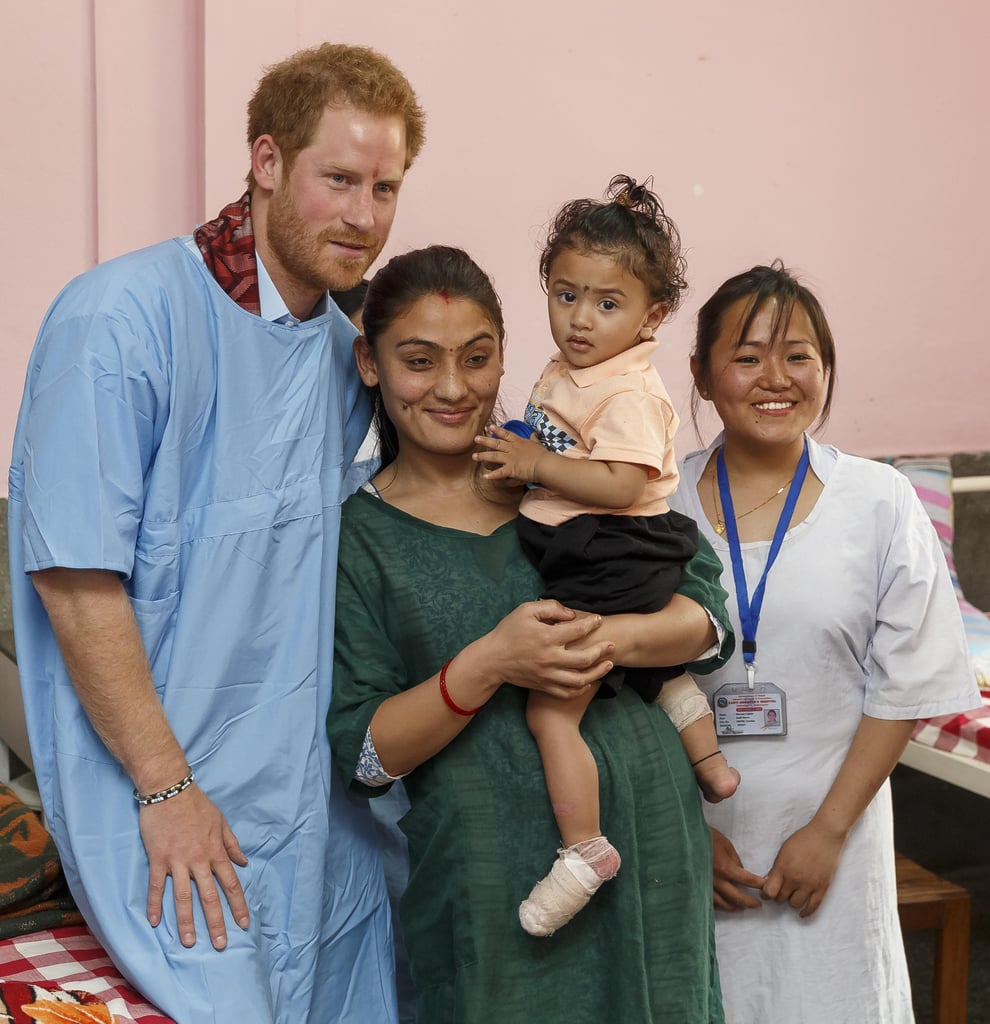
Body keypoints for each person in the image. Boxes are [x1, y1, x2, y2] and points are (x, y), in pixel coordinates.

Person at [7, 43, 424, 1024]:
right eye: (339, 180)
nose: (365, 216)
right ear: (267, 161)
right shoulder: (120, 321)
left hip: (320, 814)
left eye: (386, 187)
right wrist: (164, 791)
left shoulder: (341, 356)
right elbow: (74, 581)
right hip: (166, 804)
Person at [328, 244, 731, 1023]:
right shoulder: (360, 539)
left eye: (477, 359)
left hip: (650, 852)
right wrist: (489, 662)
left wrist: (612, 640)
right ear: (369, 364)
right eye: (419, 361)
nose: (452, 388)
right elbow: (366, 752)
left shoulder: (573, 464)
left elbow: (704, 620)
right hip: (492, 887)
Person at [668, 262, 981, 1023]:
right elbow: (630, 688)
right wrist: (681, 836)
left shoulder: (879, 503)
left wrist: (829, 832)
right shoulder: (661, 503)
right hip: (695, 847)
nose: (776, 377)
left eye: (799, 355)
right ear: (702, 376)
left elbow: (906, 685)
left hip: (836, 842)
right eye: (746, 356)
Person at [473, 175, 738, 936]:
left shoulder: (630, 390)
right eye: (565, 295)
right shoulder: (573, 371)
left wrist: (535, 467)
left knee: (554, 715)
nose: (580, 319)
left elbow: (620, 483)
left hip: (615, 548)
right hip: (597, 546)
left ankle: (583, 850)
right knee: (654, 667)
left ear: (653, 315)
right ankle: (706, 751)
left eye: (606, 303)